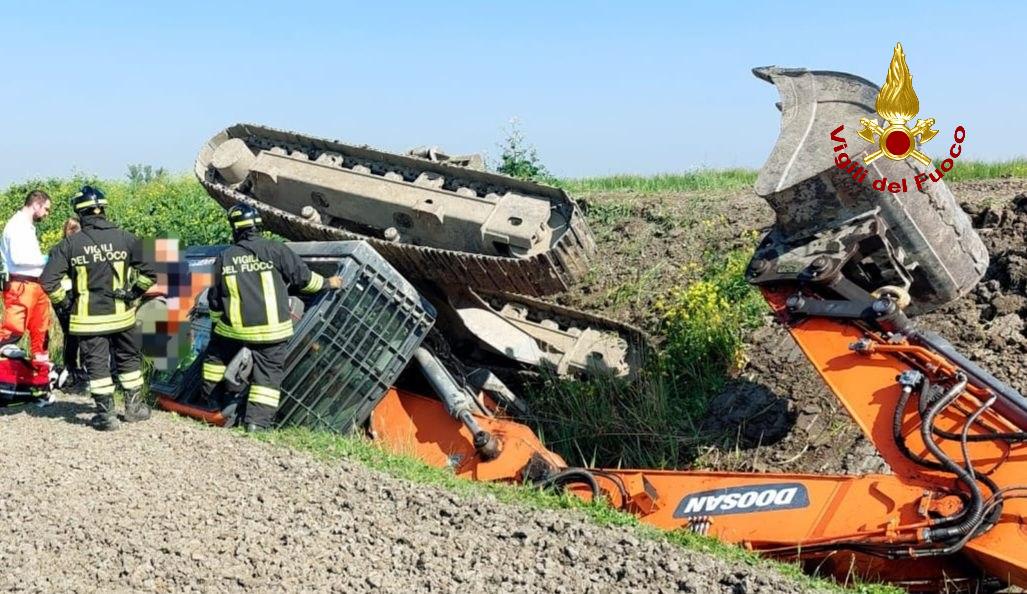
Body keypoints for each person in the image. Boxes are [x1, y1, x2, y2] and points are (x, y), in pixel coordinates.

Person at [200, 203, 342, 432]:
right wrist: (329, 282)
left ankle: (211, 404)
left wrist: (217, 326)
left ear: (235, 228)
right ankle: (256, 425)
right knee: (266, 379)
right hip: (272, 334)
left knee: (215, 359)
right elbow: (305, 281)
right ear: (258, 225)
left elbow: (214, 299)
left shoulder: (224, 258)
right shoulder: (276, 250)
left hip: (234, 332)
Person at [41, 186, 157, 431]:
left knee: (97, 364)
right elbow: (152, 270)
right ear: (103, 210)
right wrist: (133, 293)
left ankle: (106, 417)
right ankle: (134, 408)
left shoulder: (69, 245)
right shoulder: (126, 238)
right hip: (123, 317)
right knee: (128, 359)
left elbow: (48, 281)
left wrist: (66, 304)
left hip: (89, 321)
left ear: (80, 214)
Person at [0, 190, 53, 376]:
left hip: (35, 286)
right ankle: (6, 378)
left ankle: (41, 377)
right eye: (46, 209)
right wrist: (46, 259)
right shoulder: (16, 226)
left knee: (41, 333)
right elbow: (19, 258)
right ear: (36, 205)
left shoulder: (28, 227)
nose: (46, 214)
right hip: (21, 286)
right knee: (12, 333)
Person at [54, 218, 85, 391]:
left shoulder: (70, 248)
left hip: (73, 295)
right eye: (72, 228)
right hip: (67, 295)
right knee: (74, 335)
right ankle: (72, 370)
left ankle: (76, 370)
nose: (74, 231)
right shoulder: (64, 249)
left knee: (77, 335)